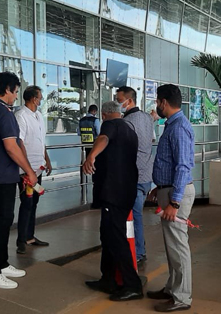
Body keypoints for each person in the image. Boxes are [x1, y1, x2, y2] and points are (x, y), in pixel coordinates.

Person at [0, 72, 38, 289]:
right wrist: (29, 171)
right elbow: (12, 147)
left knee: (3, 219)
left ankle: (1, 263)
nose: (15, 96)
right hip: (1, 175)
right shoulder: (3, 113)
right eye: (15, 91)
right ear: (7, 90)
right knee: (2, 221)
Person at [83, 101, 143, 302]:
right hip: (125, 191)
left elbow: (103, 138)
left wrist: (91, 156)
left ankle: (132, 285)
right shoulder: (130, 130)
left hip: (113, 192)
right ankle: (107, 279)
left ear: (105, 113)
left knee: (116, 238)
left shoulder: (111, 125)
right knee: (107, 235)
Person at [146, 84, 195, 312]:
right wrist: (160, 187)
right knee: (172, 247)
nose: (157, 106)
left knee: (178, 246)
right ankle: (172, 288)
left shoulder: (178, 128)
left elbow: (184, 167)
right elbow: (172, 163)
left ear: (163, 102)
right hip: (169, 189)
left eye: (157, 102)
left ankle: (182, 297)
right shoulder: (173, 125)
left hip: (178, 193)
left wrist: (174, 202)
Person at [115, 86, 154, 266]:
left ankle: (138, 251)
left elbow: (122, 150)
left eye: (119, 100)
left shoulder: (127, 123)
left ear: (129, 101)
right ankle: (139, 248)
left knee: (134, 216)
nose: (117, 103)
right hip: (146, 175)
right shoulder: (147, 118)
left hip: (134, 177)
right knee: (136, 215)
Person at [14, 85, 52, 254]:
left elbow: (40, 141)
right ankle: (21, 239)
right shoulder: (21, 115)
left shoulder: (38, 116)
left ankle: (30, 236)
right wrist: (26, 167)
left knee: (35, 201)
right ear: (32, 99)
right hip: (26, 169)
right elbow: (19, 142)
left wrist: (47, 160)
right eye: (39, 97)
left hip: (39, 167)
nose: (41, 100)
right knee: (27, 203)